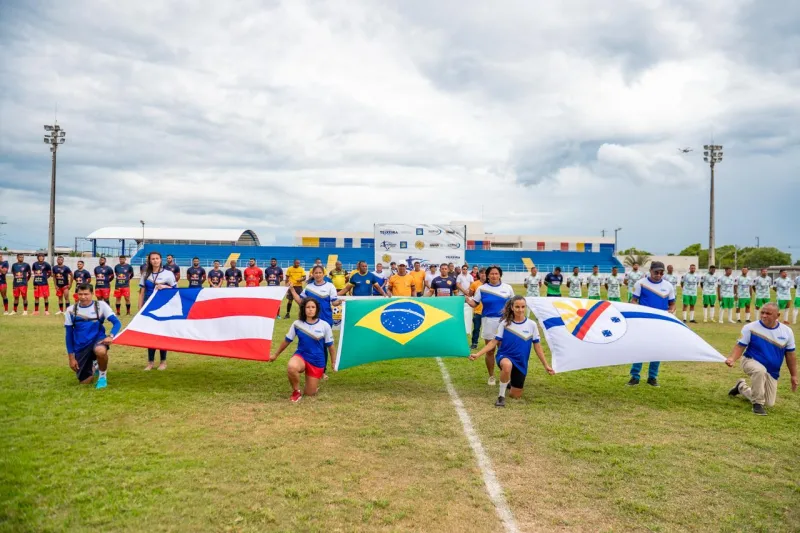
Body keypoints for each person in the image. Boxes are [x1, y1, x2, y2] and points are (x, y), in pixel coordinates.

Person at [469, 296, 554, 407]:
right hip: (505, 356)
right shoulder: (505, 323)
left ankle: (508, 381)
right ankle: (501, 396)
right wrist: (478, 354)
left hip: (521, 362)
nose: (520, 309)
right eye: (517, 307)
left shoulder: (532, 325)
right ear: (512, 308)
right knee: (507, 365)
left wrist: (546, 365)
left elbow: (537, 346)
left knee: (515, 396)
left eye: (523, 307)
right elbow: (494, 342)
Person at [725, 303, 797, 416]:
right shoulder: (750, 327)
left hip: (772, 371)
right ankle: (757, 405)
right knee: (759, 371)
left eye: (768, 313)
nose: (764, 315)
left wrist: (793, 375)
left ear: (777, 315)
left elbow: (790, 355)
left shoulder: (787, 332)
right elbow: (740, 346)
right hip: (749, 361)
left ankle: (741, 387)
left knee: (769, 403)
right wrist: (732, 358)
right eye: (762, 312)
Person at [270, 298, 335, 402]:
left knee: (309, 394)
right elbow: (287, 340)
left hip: (317, 361)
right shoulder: (297, 324)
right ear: (303, 309)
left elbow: (330, 346)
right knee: (292, 367)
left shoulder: (324, 325)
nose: (310, 309)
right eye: (308, 307)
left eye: (313, 307)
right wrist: (275, 355)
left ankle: (313, 386)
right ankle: (296, 391)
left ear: (317, 309)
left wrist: (333, 362)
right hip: (302, 356)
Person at [627, 261, 675, 387]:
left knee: (657, 349)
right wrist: (637, 311)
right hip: (644, 323)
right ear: (650, 271)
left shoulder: (669, 286)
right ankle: (635, 376)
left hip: (661, 323)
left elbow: (672, 304)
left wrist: (671, 311)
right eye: (656, 272)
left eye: (661, 272)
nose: (658, 275)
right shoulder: (640, 283)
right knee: (640, 348)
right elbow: (633, 300)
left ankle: (652, 377)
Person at [464, 266, 515, 385]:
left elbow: (514, 304)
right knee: (490, 350)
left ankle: (506, 375)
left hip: (505, 322)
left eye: (496, 273)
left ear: (500, 275)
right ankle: (491, 376)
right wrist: (467, 300)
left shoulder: (508, 288)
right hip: (488, 322)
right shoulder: (482, 289)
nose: (494, 276)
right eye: (491, 274)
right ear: (487, 275)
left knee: (504, 350)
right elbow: (474, 303)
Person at [65, 283, 121, 389]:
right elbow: (68, 335)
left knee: (101, 351)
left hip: (98, 340)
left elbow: (117, 323)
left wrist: (111, 336)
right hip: (81, 345)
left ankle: (102, 377)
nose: (83, 297)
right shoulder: (71, 310)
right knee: (85, 382)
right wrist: (71, 358)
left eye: (86, 294)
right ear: (76, 294)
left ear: (92, 294)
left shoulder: (101, 305)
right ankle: (94, 364)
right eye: (80, 294)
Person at [138, 251, 178, 370]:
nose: (155, 261)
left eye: (157, 258)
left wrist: (165, 286)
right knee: (150, 335)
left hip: (163, 308)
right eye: (152, 259)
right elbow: (142, 292)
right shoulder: (145, 274)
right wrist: (140, 308)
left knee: (161, 334)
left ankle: (163, 362)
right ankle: (150, 362)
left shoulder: (168, 274)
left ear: (161, 260)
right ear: (149, 261)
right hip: (148, 307)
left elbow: (175, 290)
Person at [468, 269, 486, 349]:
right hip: (478, 310)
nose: (483, 275)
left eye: (485, 273)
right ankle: (474, 343)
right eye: (481, 273)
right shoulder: (475, 284)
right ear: (479, 274)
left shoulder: (490, 285)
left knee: (489, 329)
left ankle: (490, 343)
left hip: (487, 312)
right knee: (476, 328)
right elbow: (470, 294)